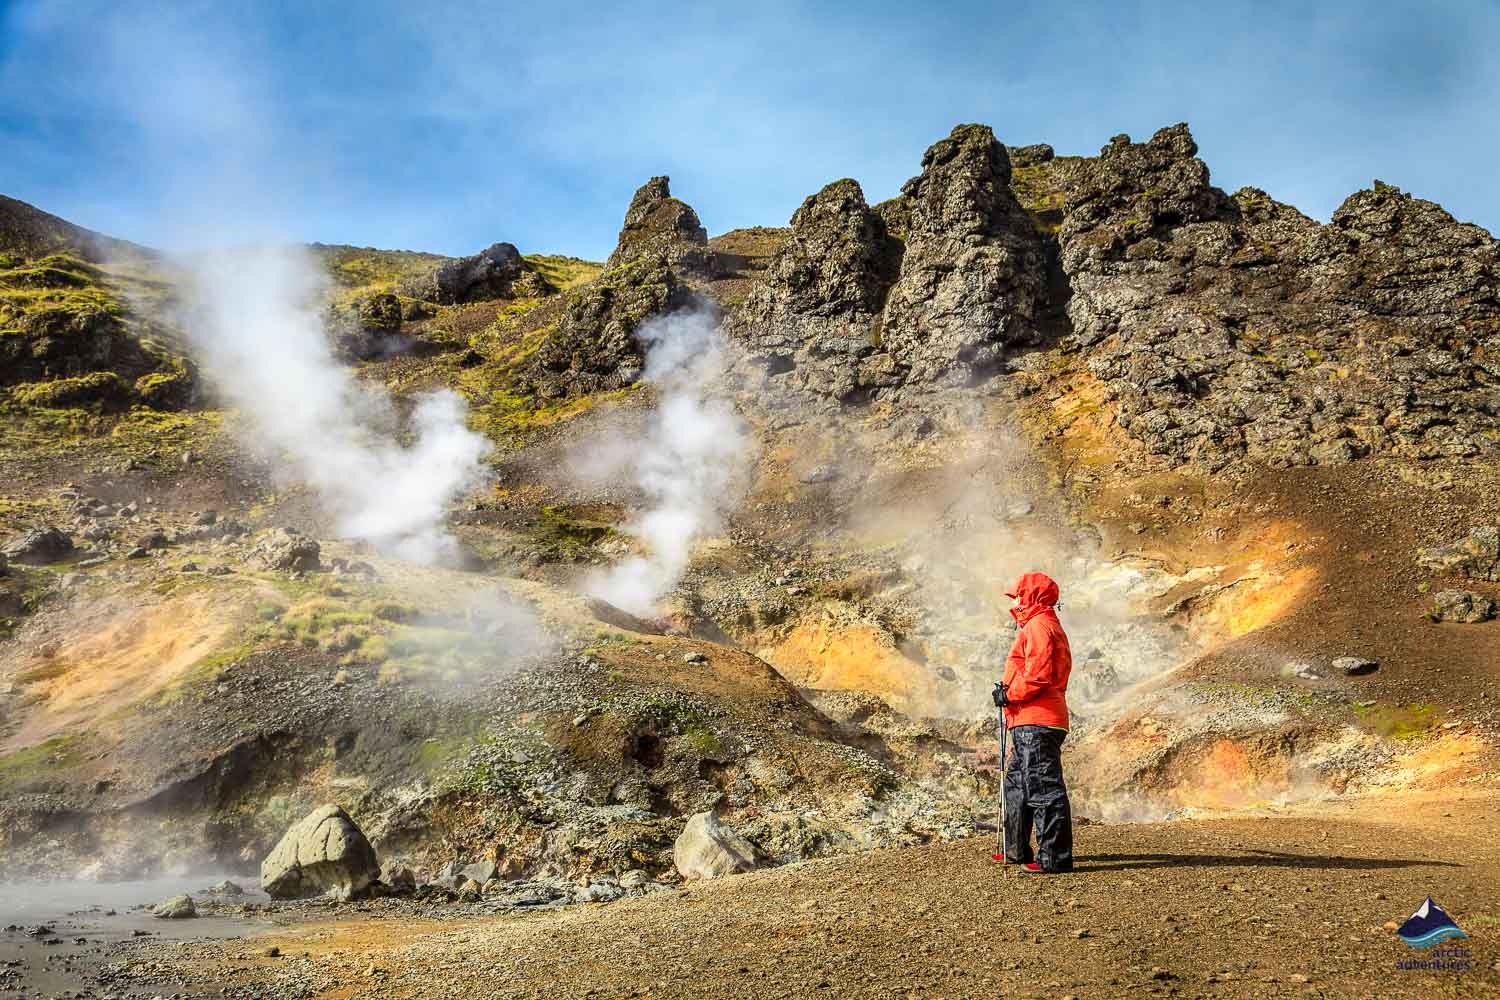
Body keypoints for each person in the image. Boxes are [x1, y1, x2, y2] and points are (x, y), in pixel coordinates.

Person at [992, 571, 1074, 873]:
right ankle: (1015, 850)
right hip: (1029, 719)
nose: (1014, 601)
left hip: (1037, 719)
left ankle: (1054, 859)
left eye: (1017, 595)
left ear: (1031, 596)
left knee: (1042, 787)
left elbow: (1038, 675)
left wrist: (1008, 694)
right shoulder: (1039, 624)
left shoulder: (1039, 626)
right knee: (1018, 784)